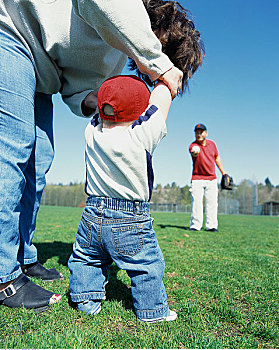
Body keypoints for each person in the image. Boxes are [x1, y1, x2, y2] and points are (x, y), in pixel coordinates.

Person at [0, 0, 203, 311]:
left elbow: (79, 91)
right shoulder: (128, 15)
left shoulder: (117, 56)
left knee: (39, 161)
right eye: (159, 49)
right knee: (13, 149)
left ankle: (24, 258)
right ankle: (4, 276)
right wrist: (161, 70)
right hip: (13, 30)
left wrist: (101, 106)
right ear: (159, 31)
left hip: (42, 73)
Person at [68, 75, 176, 323]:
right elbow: (161, 102)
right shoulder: (142, 135)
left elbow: (99, 110)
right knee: (146, 264)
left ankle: (86, 299)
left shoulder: (92, 132)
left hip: (92, 213)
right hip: (131, 217)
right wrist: (165, 76)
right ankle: (152, 311)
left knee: (87, 257)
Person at [189, 123, 226, 232]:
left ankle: (212, 226)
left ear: (206, 133)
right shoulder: (193, 145)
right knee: (196, 203)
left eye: (201, 132)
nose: (199, 134)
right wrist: (195, 151)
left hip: (211, 179)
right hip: (197, 178)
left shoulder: (212, 144)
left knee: (212, 203)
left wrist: (223, 173)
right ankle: (195, 225)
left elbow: (217, 158)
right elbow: (194, 152)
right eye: (197, 132)